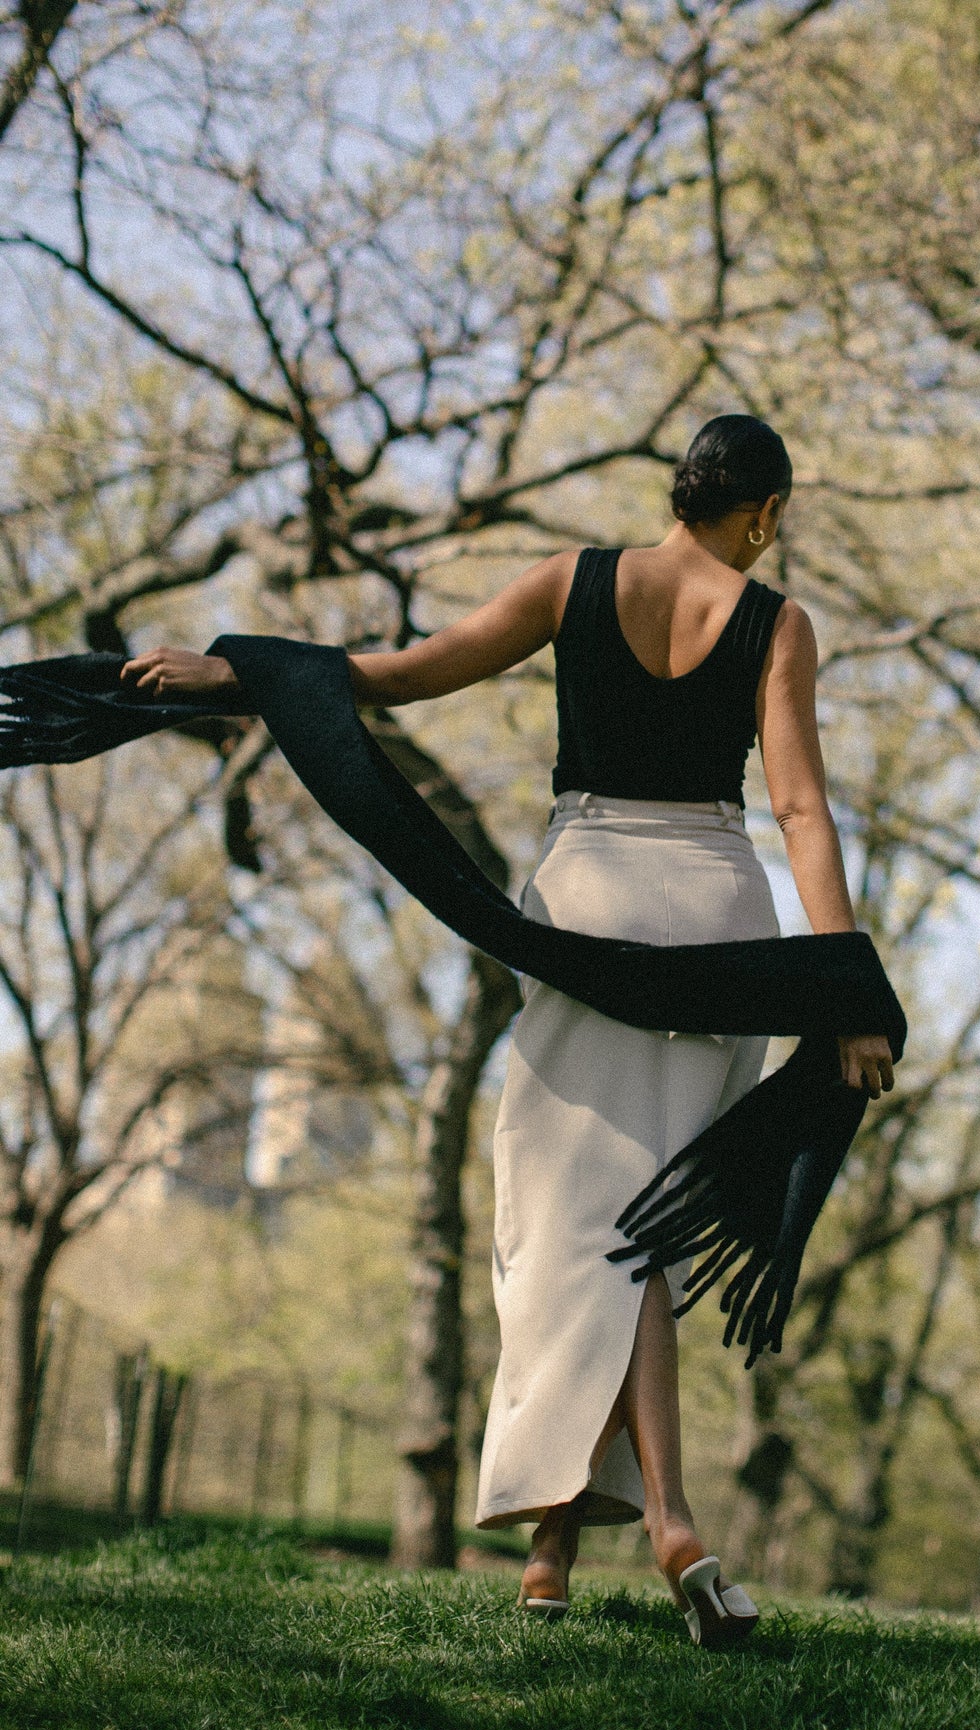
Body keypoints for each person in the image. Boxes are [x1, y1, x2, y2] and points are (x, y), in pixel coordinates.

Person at [119, 414, 896, 1646]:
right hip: (714, 913)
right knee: (640, 1229)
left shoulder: (572, 581)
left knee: (573, 1221)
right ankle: (627, 1535)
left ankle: (599, 1532)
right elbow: (797, 806)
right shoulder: (775, 622)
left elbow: (403, 670)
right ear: (759, 513)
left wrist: (242, 671)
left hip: (585, 897)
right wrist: (845, 982)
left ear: (677, 494)